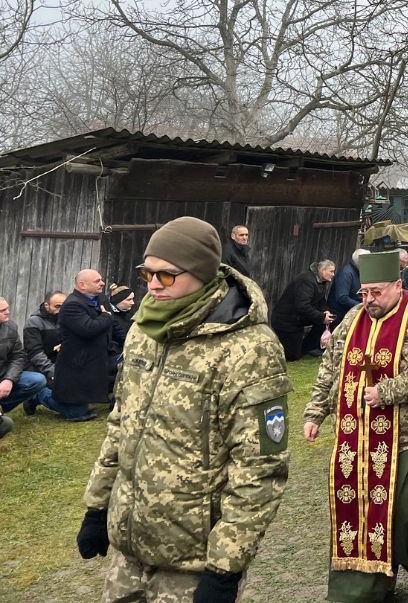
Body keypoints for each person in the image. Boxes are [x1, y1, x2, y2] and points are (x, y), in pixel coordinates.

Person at [77, 216, 291, 603]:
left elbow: (260, 468)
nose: (154, 286)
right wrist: (96, 507)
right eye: (148, 274)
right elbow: (120, 425)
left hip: (193, 558)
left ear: (202, 272)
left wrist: (226, 567)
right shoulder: (144, 331)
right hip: (131, 542)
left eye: (168, 276)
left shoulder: (248, 348)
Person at [302, 250, 408, 603]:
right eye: (364, 293)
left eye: (377, 292)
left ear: (399, 286)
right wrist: (314, 413)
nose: (368, 300)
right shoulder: (352, 319)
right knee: (358, 508)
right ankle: (369, 581)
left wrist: (386, 391)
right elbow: (330, 370)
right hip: (354, 436)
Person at [53, 269, 116, 421]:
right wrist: (106, 317)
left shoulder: (98, 299)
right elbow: (88, 329)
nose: (102, 283)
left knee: (82, 403)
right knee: (75, 412)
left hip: (91, 357)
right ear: (82, 285)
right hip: (76, 360)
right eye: (97, 281)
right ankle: (38, 396)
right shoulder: (72, 305)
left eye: (101, 279)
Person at [272, 260, 336, 360]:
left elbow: (321, 300)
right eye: (331, 271)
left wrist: (325, 311)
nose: (333, 274)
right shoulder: (306, 280)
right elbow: (302, 305)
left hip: (299, 319)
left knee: (328, 321)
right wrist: (321, 317)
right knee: (291, 357)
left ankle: (309, 347)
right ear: (323, 270)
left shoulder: (321, 282)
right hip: (286, 320)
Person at [0, 297, 50, 417]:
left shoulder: (10, 328)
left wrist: (9, 380)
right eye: (2, 310)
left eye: (7, 308)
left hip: (3, 374)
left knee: (37, 380)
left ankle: (1, 408)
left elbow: (18, 356)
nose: (7, 312)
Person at [23, 290, 65, 386]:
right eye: (57, 306)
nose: (61, 310)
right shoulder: (33, 322)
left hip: (59, 364)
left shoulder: (66, 320)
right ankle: (34, 398)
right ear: (47, 305)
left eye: (64, 306)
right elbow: (35, 353)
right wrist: (52, 371)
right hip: (37, 368)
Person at [329, 248, 372, 327]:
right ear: (360, 261)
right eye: (367, 261)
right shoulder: (346, 273)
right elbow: (342, 297)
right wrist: (361, 305)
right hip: (339, 316)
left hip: (351, 313)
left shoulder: (360, 271)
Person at [108, 284, 137, 354]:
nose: (133, 303)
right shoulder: (111, 317)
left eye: (133, 299)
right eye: (129, 300)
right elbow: (124, 338)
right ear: (118, 301)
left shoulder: (127, 313)